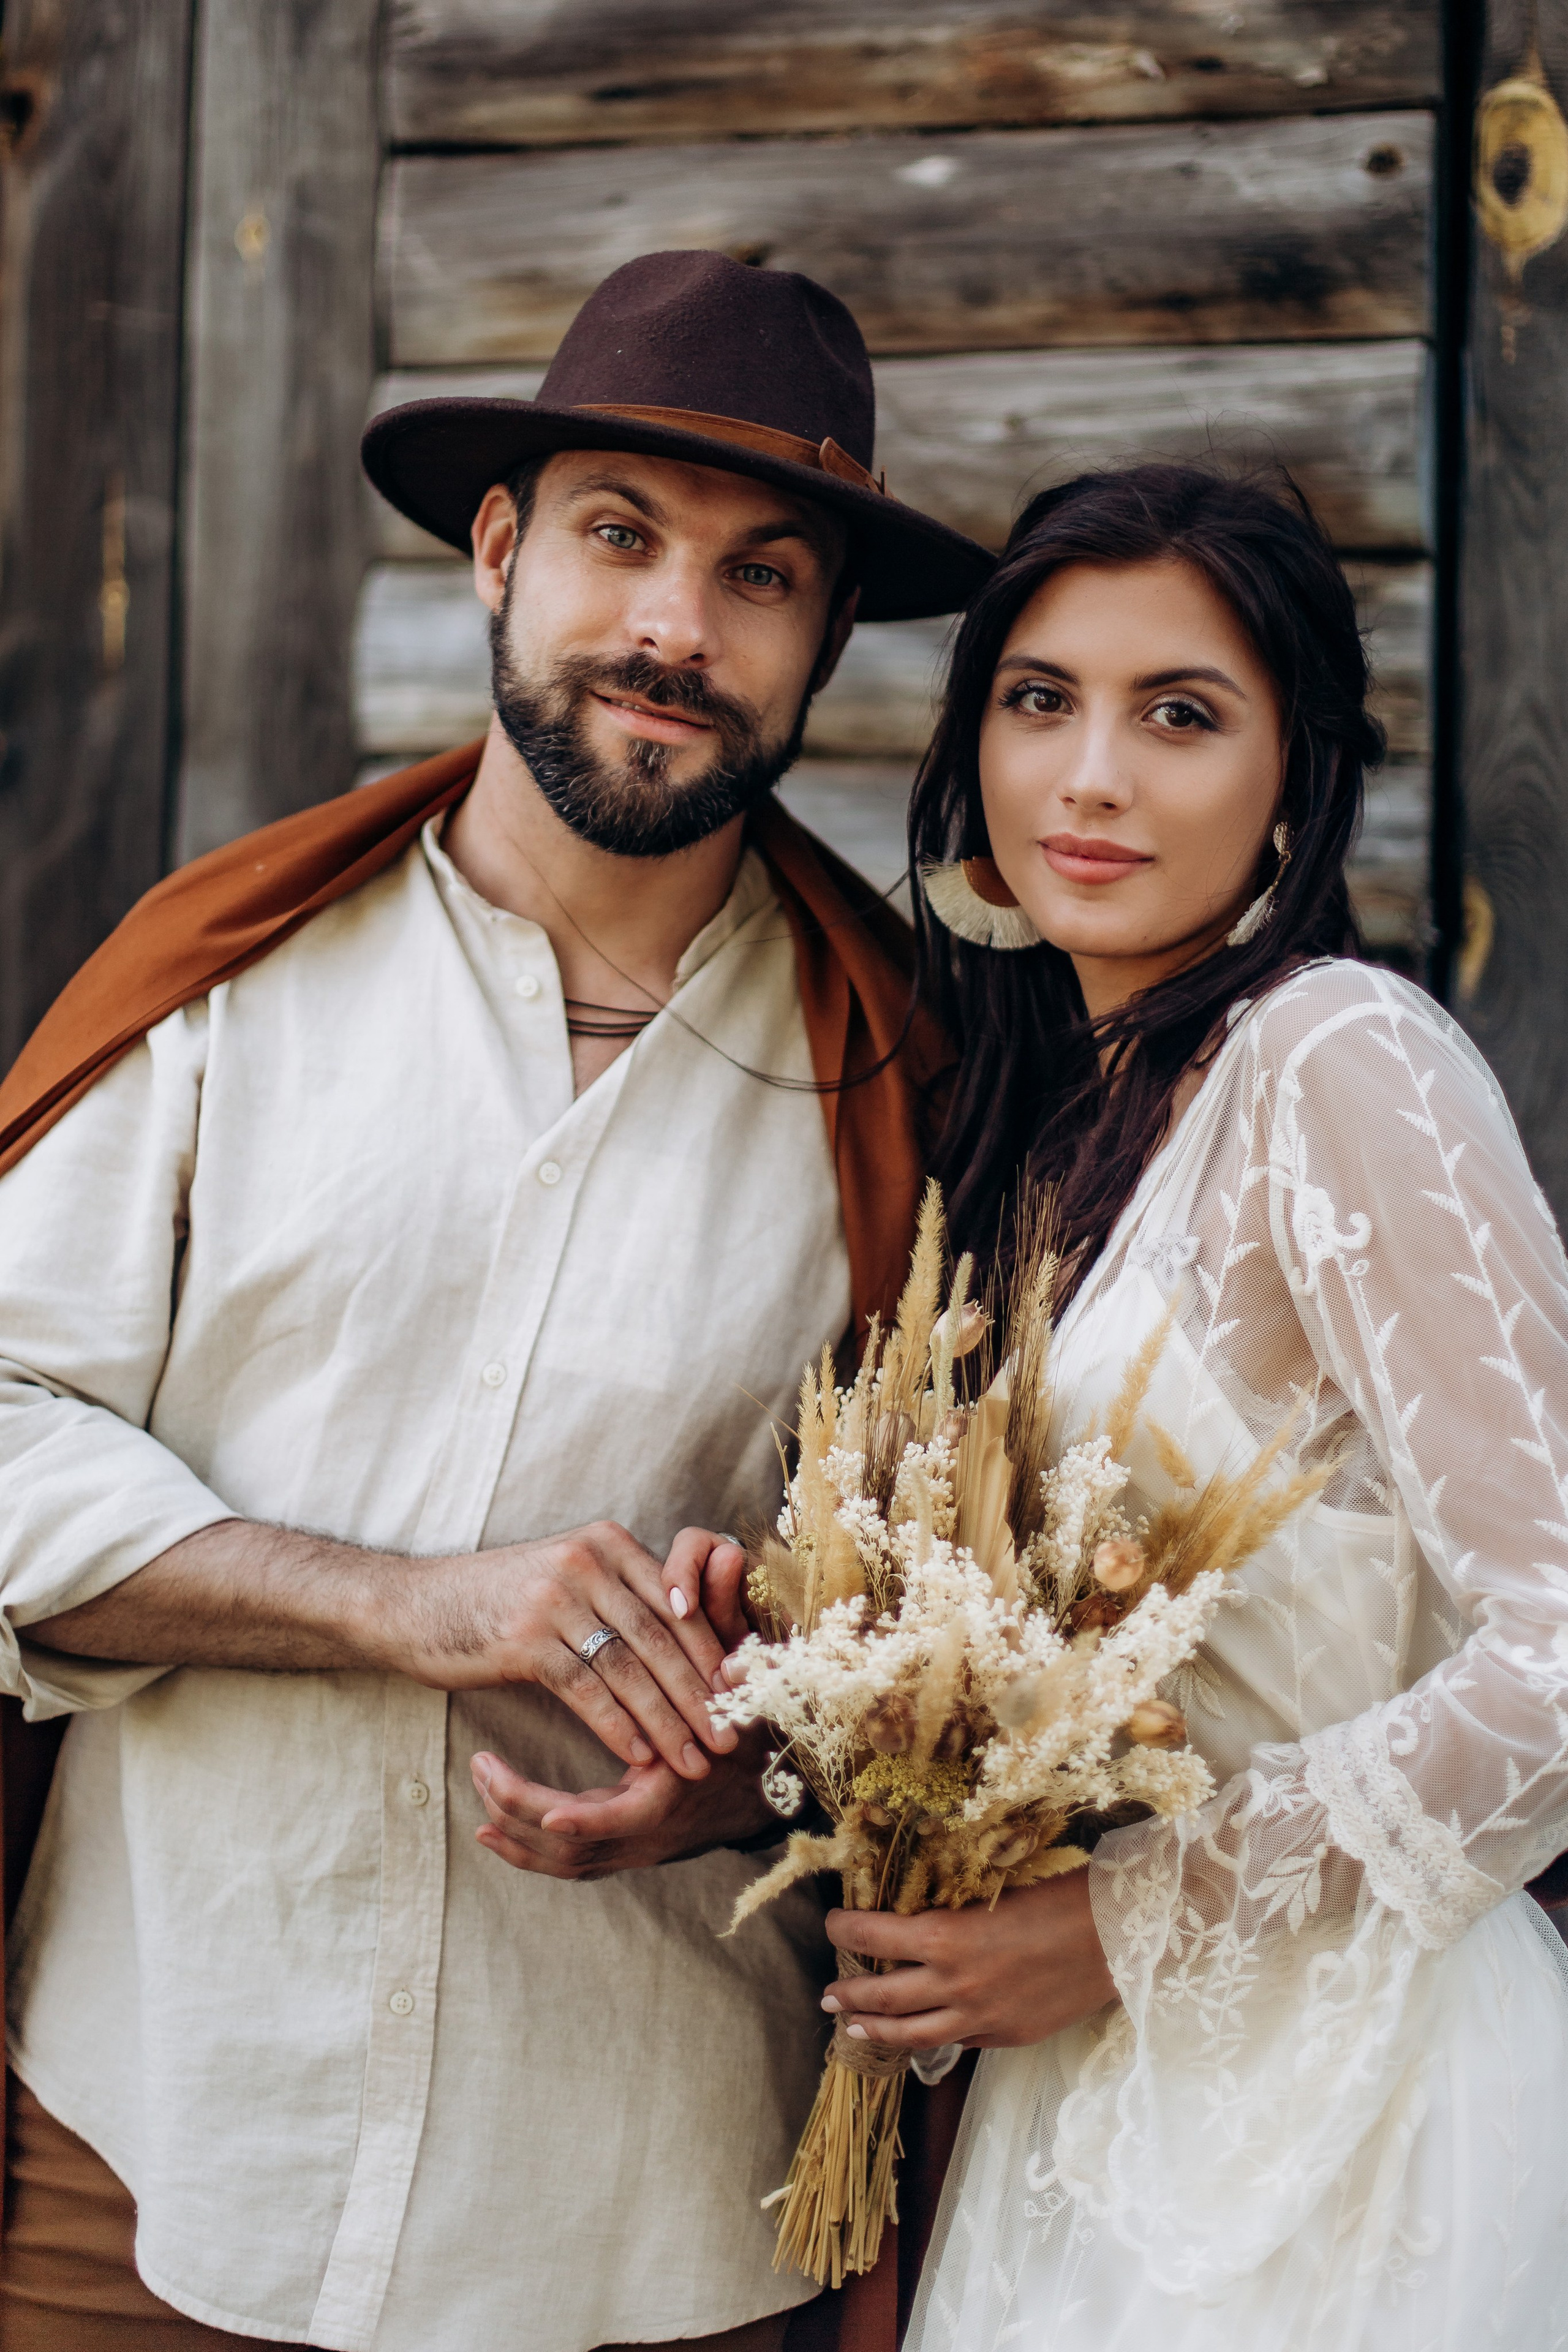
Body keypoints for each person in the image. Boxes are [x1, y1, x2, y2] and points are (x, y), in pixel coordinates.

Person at [0, 250, 990, 2351]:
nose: (675, 628)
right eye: (621, 536)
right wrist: (401, 1605)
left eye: (760, 575)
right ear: (499, 551)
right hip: (153, 2157)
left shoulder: (914, 1088)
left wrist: (767, 1768)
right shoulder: (228, 986)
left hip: (648, 2212)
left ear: (825, 640)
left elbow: (975, 1634)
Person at [807, 462, 1568, 2348]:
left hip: (1344, 2120)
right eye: (1041, 699)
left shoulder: (1341, 1057)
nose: (1091, 778)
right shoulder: (1060, 1109)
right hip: (1094, 2113)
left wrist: (1122, 1927)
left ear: (1295, 775)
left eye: (1180, 715)